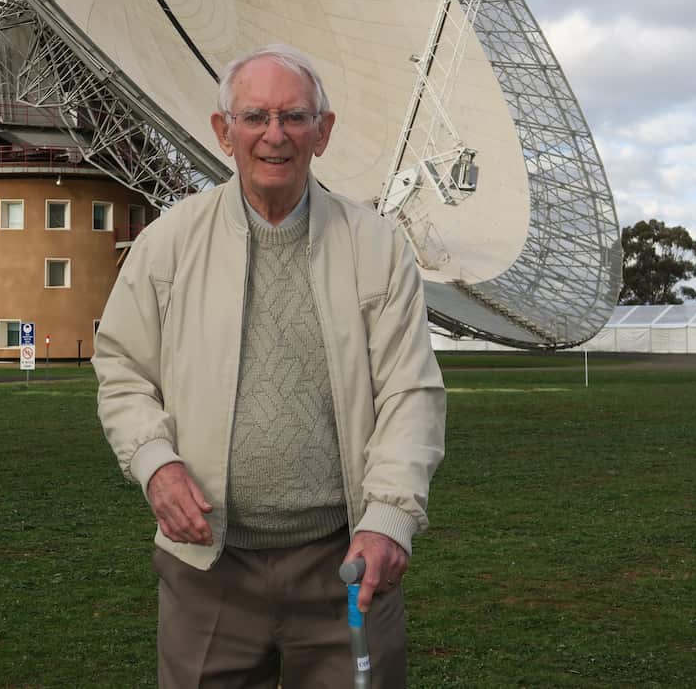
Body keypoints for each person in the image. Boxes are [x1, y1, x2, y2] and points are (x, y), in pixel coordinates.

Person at [94, 44, 446, 687]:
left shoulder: (377, 247)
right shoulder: (168, 244)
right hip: (208, 566)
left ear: (324, 131)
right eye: (255, 117)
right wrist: (156, 464)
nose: (274, 136)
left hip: (346, 562)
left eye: (294, 117)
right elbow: (122, 368)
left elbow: (410, 392)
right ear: (223, 132)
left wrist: (390, 517)